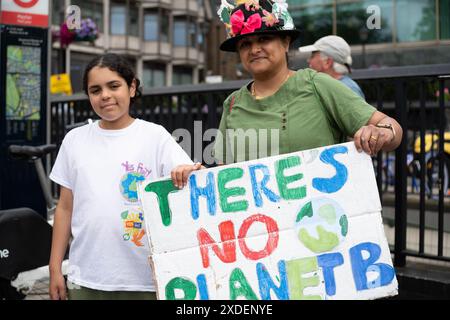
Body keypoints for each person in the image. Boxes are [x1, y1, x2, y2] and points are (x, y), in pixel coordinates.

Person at [48, 53, 200, 300]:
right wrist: (55, 269)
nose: (105, 95)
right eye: (95, 90)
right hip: (85, 276)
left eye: (114, 85)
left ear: (132, 88)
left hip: (143, 280)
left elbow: (192, 181)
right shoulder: (74, 140)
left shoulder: (155, 136)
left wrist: (189, 171)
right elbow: (65, 208)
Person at [213, 0, 402, 165]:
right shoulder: (232, 104)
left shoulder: (317, 85)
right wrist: (195, 176)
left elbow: (391, 126)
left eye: (264, 38)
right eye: (245, 44)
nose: (254, 49)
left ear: (286, 43)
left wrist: (381, 132)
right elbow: (222, 172)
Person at [299, 35, 365, 99]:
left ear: (327, 62)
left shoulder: (347, 89)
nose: (308, 60)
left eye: (312, 56)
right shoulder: (336, 86)